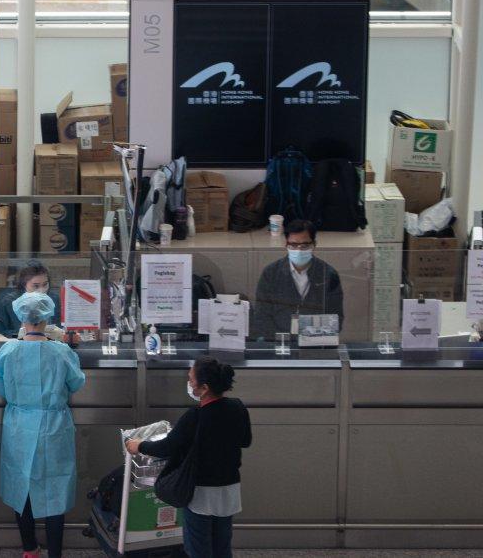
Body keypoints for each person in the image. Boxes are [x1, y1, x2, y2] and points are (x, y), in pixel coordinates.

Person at [0, 292, 86, 558]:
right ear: (47, 318)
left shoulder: (9, 350)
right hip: (54, 426)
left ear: (21, 317)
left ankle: (30, 549)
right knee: (55, 488)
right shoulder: (61, 351)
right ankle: (55, 552)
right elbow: (77, 383)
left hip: (19, 425)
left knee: (22, 486)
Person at [125, 356, 252, 558]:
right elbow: (246, 440)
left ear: (204, 388)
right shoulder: (237, 407)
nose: (189, 384)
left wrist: (138, 445)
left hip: (201, 492)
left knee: (198, 548)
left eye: (191, 380)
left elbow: (167, 447)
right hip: (229, 490)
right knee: (222, 547)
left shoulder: (195, 416)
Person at [251, 219, 344, 336]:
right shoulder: (271, 273)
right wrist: (278, 339)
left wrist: (314, 337)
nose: (299, 250)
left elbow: (336, 317)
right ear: (286, 245)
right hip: (279, 340)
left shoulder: (329, 274)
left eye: (305, 245)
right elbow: (262, 315)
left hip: (317, 339)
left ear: (314, 245)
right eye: (293, 245)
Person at [0, 262, 69, 343]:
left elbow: (62, 329)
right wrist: (15, 342)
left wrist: (66, 336)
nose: (41, 290)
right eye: (36, 286)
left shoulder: (53, 299)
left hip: (49, 347)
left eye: (45, 284)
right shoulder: (8, 301)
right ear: (24, 284)